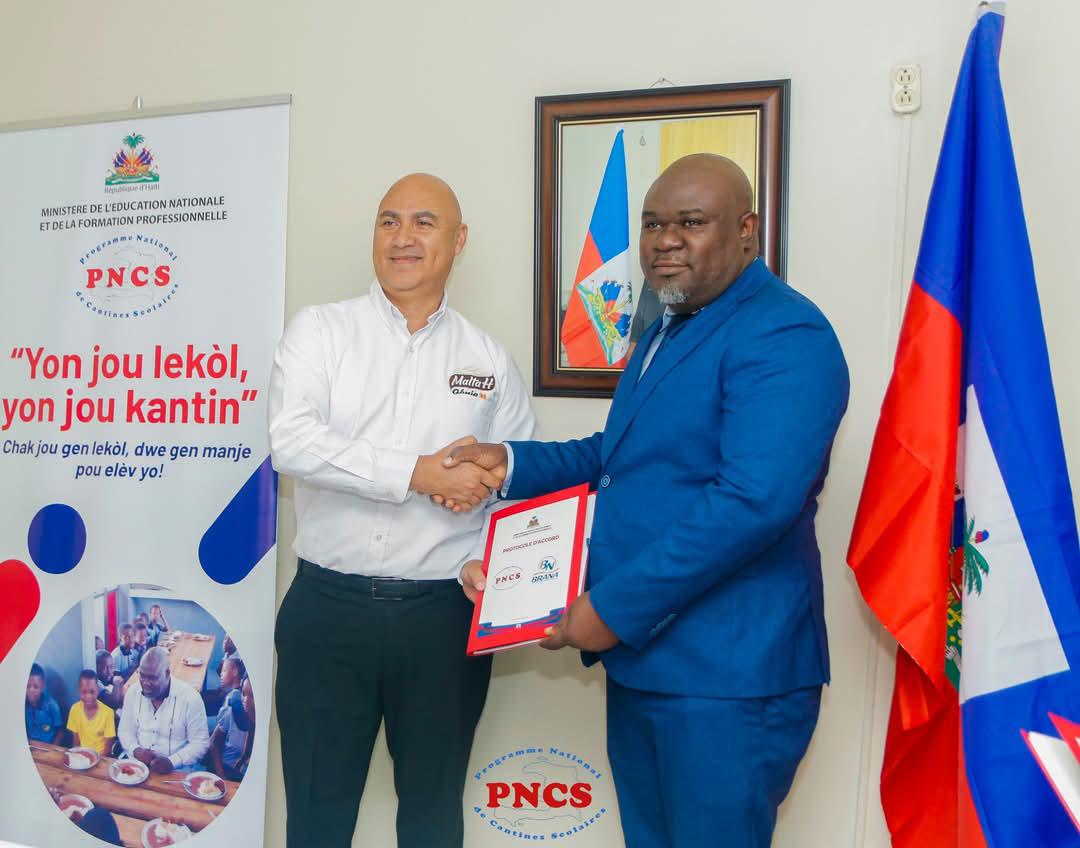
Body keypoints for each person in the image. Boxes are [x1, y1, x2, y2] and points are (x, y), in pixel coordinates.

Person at [450, 155, 850, 848]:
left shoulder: (785, 333)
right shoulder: (669, 322)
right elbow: (621, 457)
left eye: (690, 223)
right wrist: (510, 462)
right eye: (653, 223)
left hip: (726, 678)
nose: (665, 241)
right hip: (650, 662)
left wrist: (611, 609)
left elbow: (751, 502)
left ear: (746, 230)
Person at [269, 172, 536, 848]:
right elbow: (291, 443)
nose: (402, 237)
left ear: (458, 240)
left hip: (443, 621)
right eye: (389, 221)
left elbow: (518, 486)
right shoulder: (321, 331)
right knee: (316, 819)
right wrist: (418, 473)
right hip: (327, 614)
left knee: (432, 820)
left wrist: (486, 559)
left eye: (423, 222)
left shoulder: (488, 360)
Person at [117, 647, 210, 774]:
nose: (146, 683)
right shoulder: (133, 692)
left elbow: (200, 743)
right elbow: (125, 731)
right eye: (142, 676)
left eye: (152, 678)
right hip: (137, 767)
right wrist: (136, 750)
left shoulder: (191, 698)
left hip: (176, 771)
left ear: (167, 673)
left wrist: (172, 761)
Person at [209, 676, 255, 781]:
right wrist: (221, 777)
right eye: (243, 694)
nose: (246, 701)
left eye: (252, 696)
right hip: (226, 770)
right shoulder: (232, 712)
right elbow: (213, 744)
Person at [67, 669, 116, 756]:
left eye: (92, 692)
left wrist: (97, 760)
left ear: (98, 690)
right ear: (79, 691)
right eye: (84, 692)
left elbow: (108, 747)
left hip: (101, 757)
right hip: (82, 756)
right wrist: (78, 757)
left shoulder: (108, 713)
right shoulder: (74, 710)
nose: (88, 696)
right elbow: (76, 741)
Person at [25, 664, 63, 744]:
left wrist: (51, 748)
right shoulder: (22, 704)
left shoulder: (52, 706)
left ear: (42, 686)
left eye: (35, 687)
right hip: (30, 745)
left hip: (47, 746)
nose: (31, 691)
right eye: (27, 686)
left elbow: (60, 732)